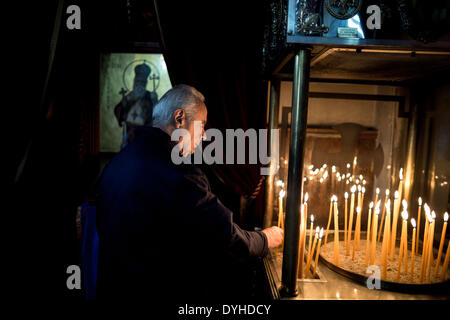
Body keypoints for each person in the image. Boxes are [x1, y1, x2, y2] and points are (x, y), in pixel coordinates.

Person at [96, 84, 283, 301]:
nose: (203, 136)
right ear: (180, 118)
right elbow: (224, 236)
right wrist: (265, 239)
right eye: (201, 124)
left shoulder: (123, 158)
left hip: (114, 288)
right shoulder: (177, 170)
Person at [114, 62, 158, 148]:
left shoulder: (150, 96)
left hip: (145, 131)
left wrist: (155, 101)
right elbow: (118, 109)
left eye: (142, 82)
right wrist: (123, 105)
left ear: (145, 83)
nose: (140, 84)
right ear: (134, 82)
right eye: (138, 81)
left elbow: (157, 114)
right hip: (129, 131)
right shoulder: (130, 96)